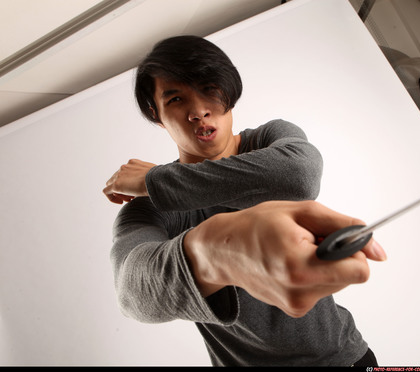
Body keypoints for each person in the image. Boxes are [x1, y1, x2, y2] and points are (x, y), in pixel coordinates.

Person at [103, 35, 386, 366]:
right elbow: (131, 292)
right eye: (177, 99)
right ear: (156, 112)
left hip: (346, 358)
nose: (198, 111)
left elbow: (300, 175)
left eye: (209, 89)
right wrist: (217, 252)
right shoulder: (150, 205)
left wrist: (158, 179)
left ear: (229, 91)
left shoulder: (269, 140)